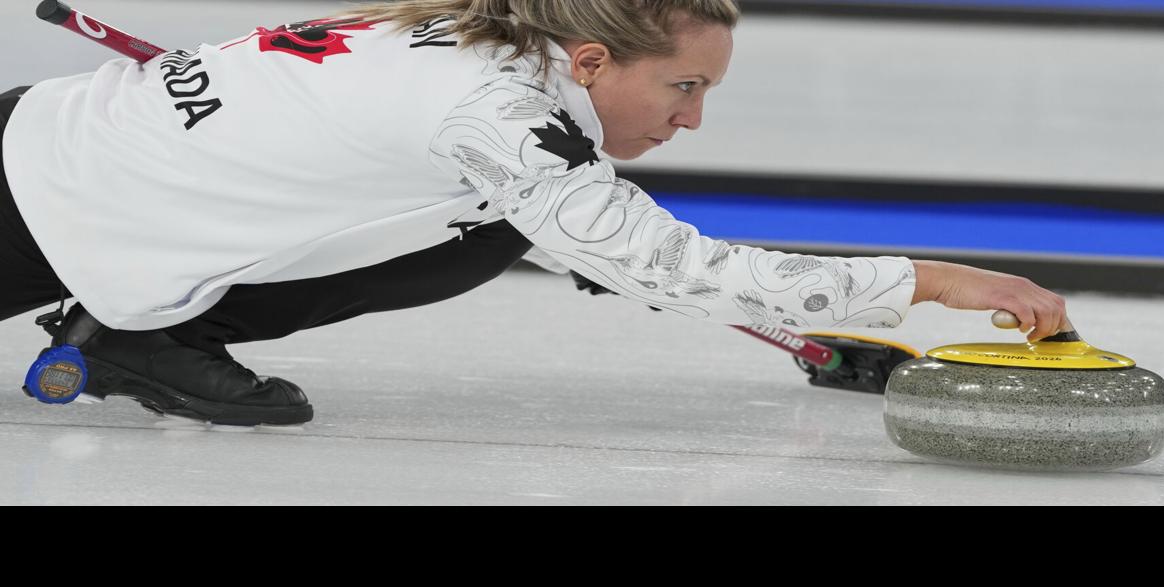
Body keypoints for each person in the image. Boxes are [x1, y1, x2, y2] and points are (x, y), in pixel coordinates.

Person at [2, 0, 1070, 426]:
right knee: (504, 215)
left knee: (492, 223)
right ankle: (151, 327)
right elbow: (680, 267)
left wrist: (576, 222)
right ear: (593, 61)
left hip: (46, 150)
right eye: (683, 89)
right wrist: (932, 281)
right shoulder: (500, 113)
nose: (691, 121)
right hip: (37, 211)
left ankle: (152, 331)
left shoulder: (475, 35)